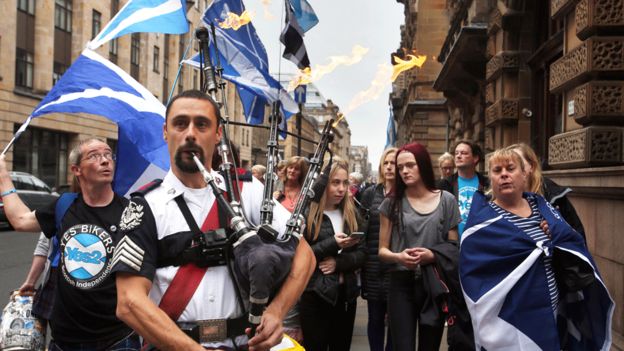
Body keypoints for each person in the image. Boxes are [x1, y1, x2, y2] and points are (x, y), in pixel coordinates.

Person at [112, 90, 315, 351]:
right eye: (180, 123)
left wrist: (277, 311)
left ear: (218, 134)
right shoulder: (144, 207)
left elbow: (304, 255)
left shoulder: (247, 191)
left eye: (202, 124)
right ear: (165, 131)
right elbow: (129, 302)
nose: (190, 134)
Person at [460, 148, 613, 350]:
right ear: (491, 179)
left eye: (510, 168)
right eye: (497, 170)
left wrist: (555, 237)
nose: (504, 174)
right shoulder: (481, 222)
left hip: (551, 308)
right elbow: (472, 272)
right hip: (510, 317)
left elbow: (574, 245)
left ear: (525, 174)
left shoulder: (545, 209)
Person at [0, 138, 140, 350]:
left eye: (108, 154)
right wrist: (3, 176)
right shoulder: (64, 204)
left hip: (117, 339)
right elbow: (20, 220)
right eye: (94, 155)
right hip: (65, 340)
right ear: (77, 169)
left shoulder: (131, 212)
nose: (105, 161)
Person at [378, 142, 461, 351]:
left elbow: (453, 247)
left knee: (430, 346)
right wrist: (399, 257)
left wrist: (432, 255)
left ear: (422, 165)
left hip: (433, 283)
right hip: (401, 284)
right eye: (400, 167)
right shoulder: (391, 203)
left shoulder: (447, 200)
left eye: (410, 165)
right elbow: (382, 251)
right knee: (402, 346)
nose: (404, 171)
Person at [299, 158, 366, 351]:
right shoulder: (307, 214)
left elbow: (363, 253)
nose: (342, 188)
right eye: (335, 182)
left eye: (345, 183)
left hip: (346, 297)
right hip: (315, 297)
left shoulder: (352, 213)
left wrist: (339, 263)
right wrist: (331, 244)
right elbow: (299, 256)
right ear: (324, 184)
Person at [359, 147, 397, 351]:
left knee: (395, 321)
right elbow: (362, 229)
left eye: (394, 163)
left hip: (396, 265)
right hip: (372, 265)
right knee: (374, 318)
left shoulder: (406, 194)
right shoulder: (370, 193)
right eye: (386, 163)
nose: (390, 167)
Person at [507, 143, 586, 239]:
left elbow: (578, 238)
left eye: (519, 163)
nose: (509, 171)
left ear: (531, 166)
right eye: (509, 167)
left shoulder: (554, 197)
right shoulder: (494, 201)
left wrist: (558, 231)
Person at [438, 140, 489, 237]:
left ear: (475, 158)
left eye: (464, 153)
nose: (458, 156)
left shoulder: (486, 183)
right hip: (453, 245)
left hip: (480, 241)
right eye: (456, 153)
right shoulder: (445, 185)